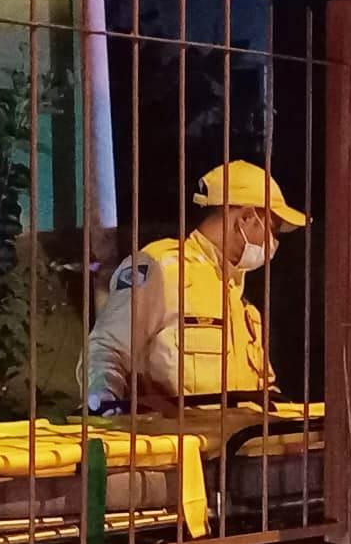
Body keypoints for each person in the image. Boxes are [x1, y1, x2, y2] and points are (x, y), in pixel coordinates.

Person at [82, 160, 305, 412]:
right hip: (175, 446)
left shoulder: (243, 306)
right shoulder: (162, 269)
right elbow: (107, 348)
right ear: (245, 218)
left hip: (239, 446)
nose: (273, 242)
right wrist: (104, 405)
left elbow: (265, 395)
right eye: (272, 229)